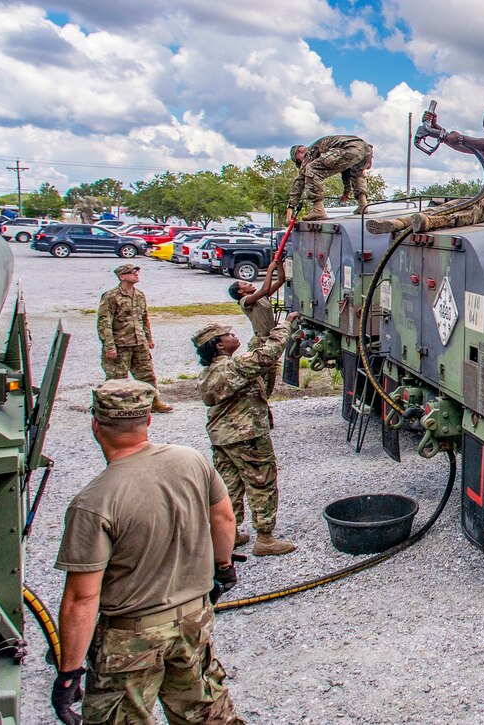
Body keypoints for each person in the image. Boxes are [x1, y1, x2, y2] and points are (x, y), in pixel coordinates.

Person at [51, 379, 242, 725]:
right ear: (148, 420)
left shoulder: (94, 503)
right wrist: (223, 568)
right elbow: (224, 517)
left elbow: (81, 598)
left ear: (96, 424)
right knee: (207, 714)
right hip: (194, 621)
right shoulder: (192, 460)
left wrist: (69, 672)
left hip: (129, 638)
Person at [193, 313, 300, 555]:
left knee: (228, 486)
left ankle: (227, 535)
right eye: (228, 335)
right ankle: (265, 538)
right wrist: (286, 324)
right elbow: (268, 354)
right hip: (247, 436)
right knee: (261, 483)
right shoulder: (233, 367)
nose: (234, 336)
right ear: (219, 345)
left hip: (222, 438)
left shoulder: (209, 372)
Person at [366, 108, 484, 235]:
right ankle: (401, 222)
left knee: (481, 206)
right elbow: (462, 146)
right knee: (461, 202)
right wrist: (438, 131)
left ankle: (432, 221)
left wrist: (460, 137)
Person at [96, 263, 173, 412]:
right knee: (117, 379)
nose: (136, 274)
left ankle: (153, 402)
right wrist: (109, 346)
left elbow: (144, 318)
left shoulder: (139, 295)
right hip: (120, 344)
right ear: (122, 276)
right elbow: (104, 323)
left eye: (137, 271)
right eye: (132, 272)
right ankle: (112, 407)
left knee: (147, 375)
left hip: (139, 343)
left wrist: (149, 338)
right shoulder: (111, 297)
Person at [228, 258, 287, 397]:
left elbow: (280, 281)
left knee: (270, 376)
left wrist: (280, 266)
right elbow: (265, 289)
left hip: (269, 339)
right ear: (241, 291)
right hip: (260, 342)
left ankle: (264, 402)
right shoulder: (245, 301)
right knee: (260, 377)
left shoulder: (261, 298)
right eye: (245, 283)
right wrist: (269, 270)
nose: (249, 283)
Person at [286, 135, 374, 223]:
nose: (301, 163)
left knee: (312, 169)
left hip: (350, 148)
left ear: (299, 151)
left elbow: (300, 180)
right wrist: (346, 192)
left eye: (298, 161)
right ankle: (363, 204)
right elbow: (346, 170)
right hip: (366, 149)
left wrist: (291, 206)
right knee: (357, 173)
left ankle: (318, 210)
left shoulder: (309, 152)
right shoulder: (324, 145)